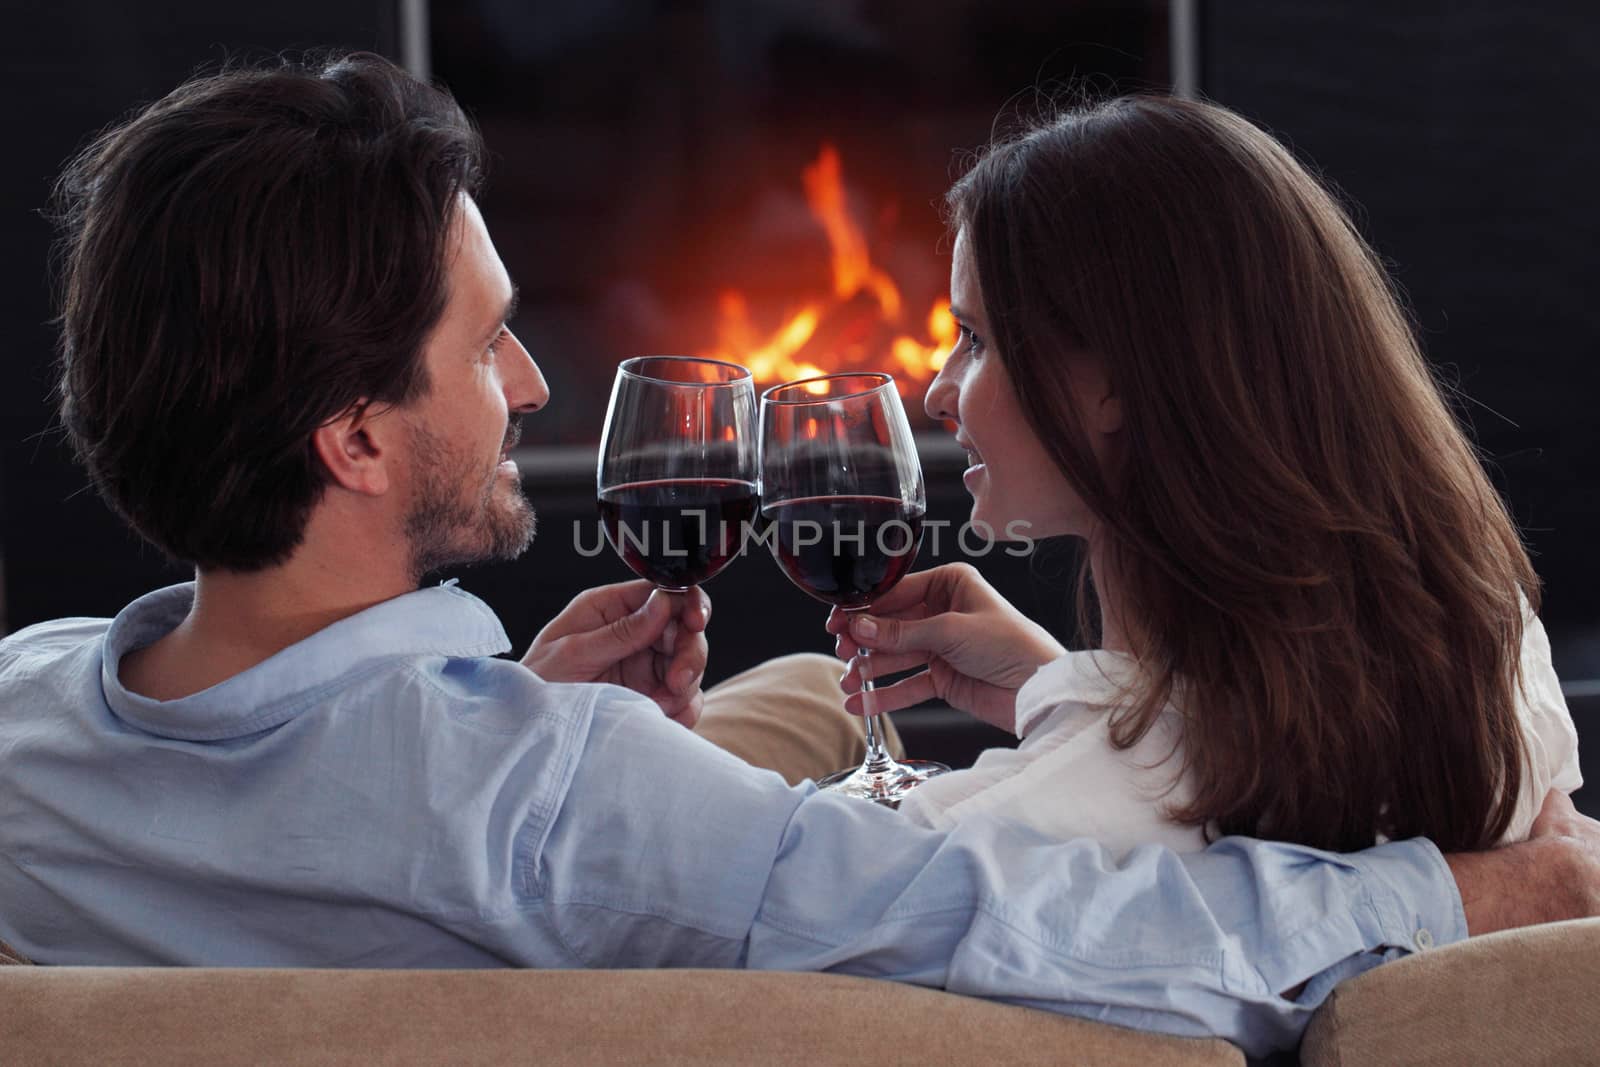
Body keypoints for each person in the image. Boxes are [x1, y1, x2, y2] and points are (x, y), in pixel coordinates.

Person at [0, 54, 1593, 1059]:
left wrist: (526, 708)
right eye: (491, 349)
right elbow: (1039, 934)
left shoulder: (28, 715)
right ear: (353, 440)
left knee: (784, 693)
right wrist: (1466, 887)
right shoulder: (556, 798)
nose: (540, 386)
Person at [826, 95, 1582, 856]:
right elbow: (1195, 746)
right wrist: (1069, 687)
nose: (938, 393)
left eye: (975, 338)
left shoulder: (986, 839)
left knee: (804, 698)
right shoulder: (1501, 663)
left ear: (1119, 377)